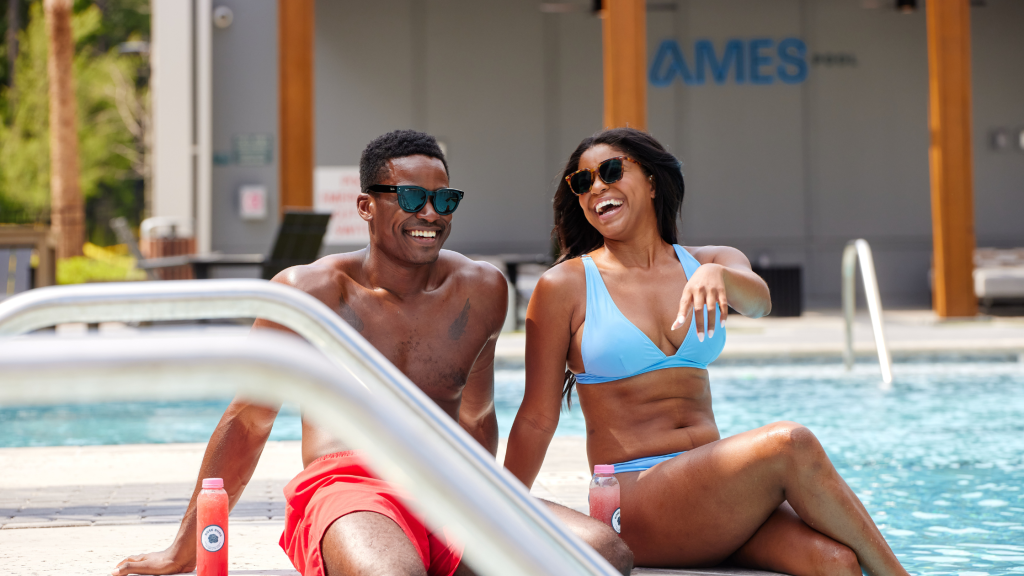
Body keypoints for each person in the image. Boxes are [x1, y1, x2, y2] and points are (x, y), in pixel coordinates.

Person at [112, 130, 632, 576]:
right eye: (410, 199)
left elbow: (477, 413)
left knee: (601, 554)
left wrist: (491, 505)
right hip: (350, 487)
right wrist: (184, 547)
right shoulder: (308, 294)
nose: (429, 214)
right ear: (366, 205)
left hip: (450, 483)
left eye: (443, 200)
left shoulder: (482, 290)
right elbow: (248, 421)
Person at [503, 128, 910, 576]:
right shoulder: (565, 285)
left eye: (612, 171)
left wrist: (720, 275)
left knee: (836, 562)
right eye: (581, 183)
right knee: (789, 443)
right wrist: (497, 506)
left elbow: (760, 302)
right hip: (635, 500)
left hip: (710, 496)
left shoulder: (709, 260)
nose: (596, 187)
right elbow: (538, 417)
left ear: (652, 182)